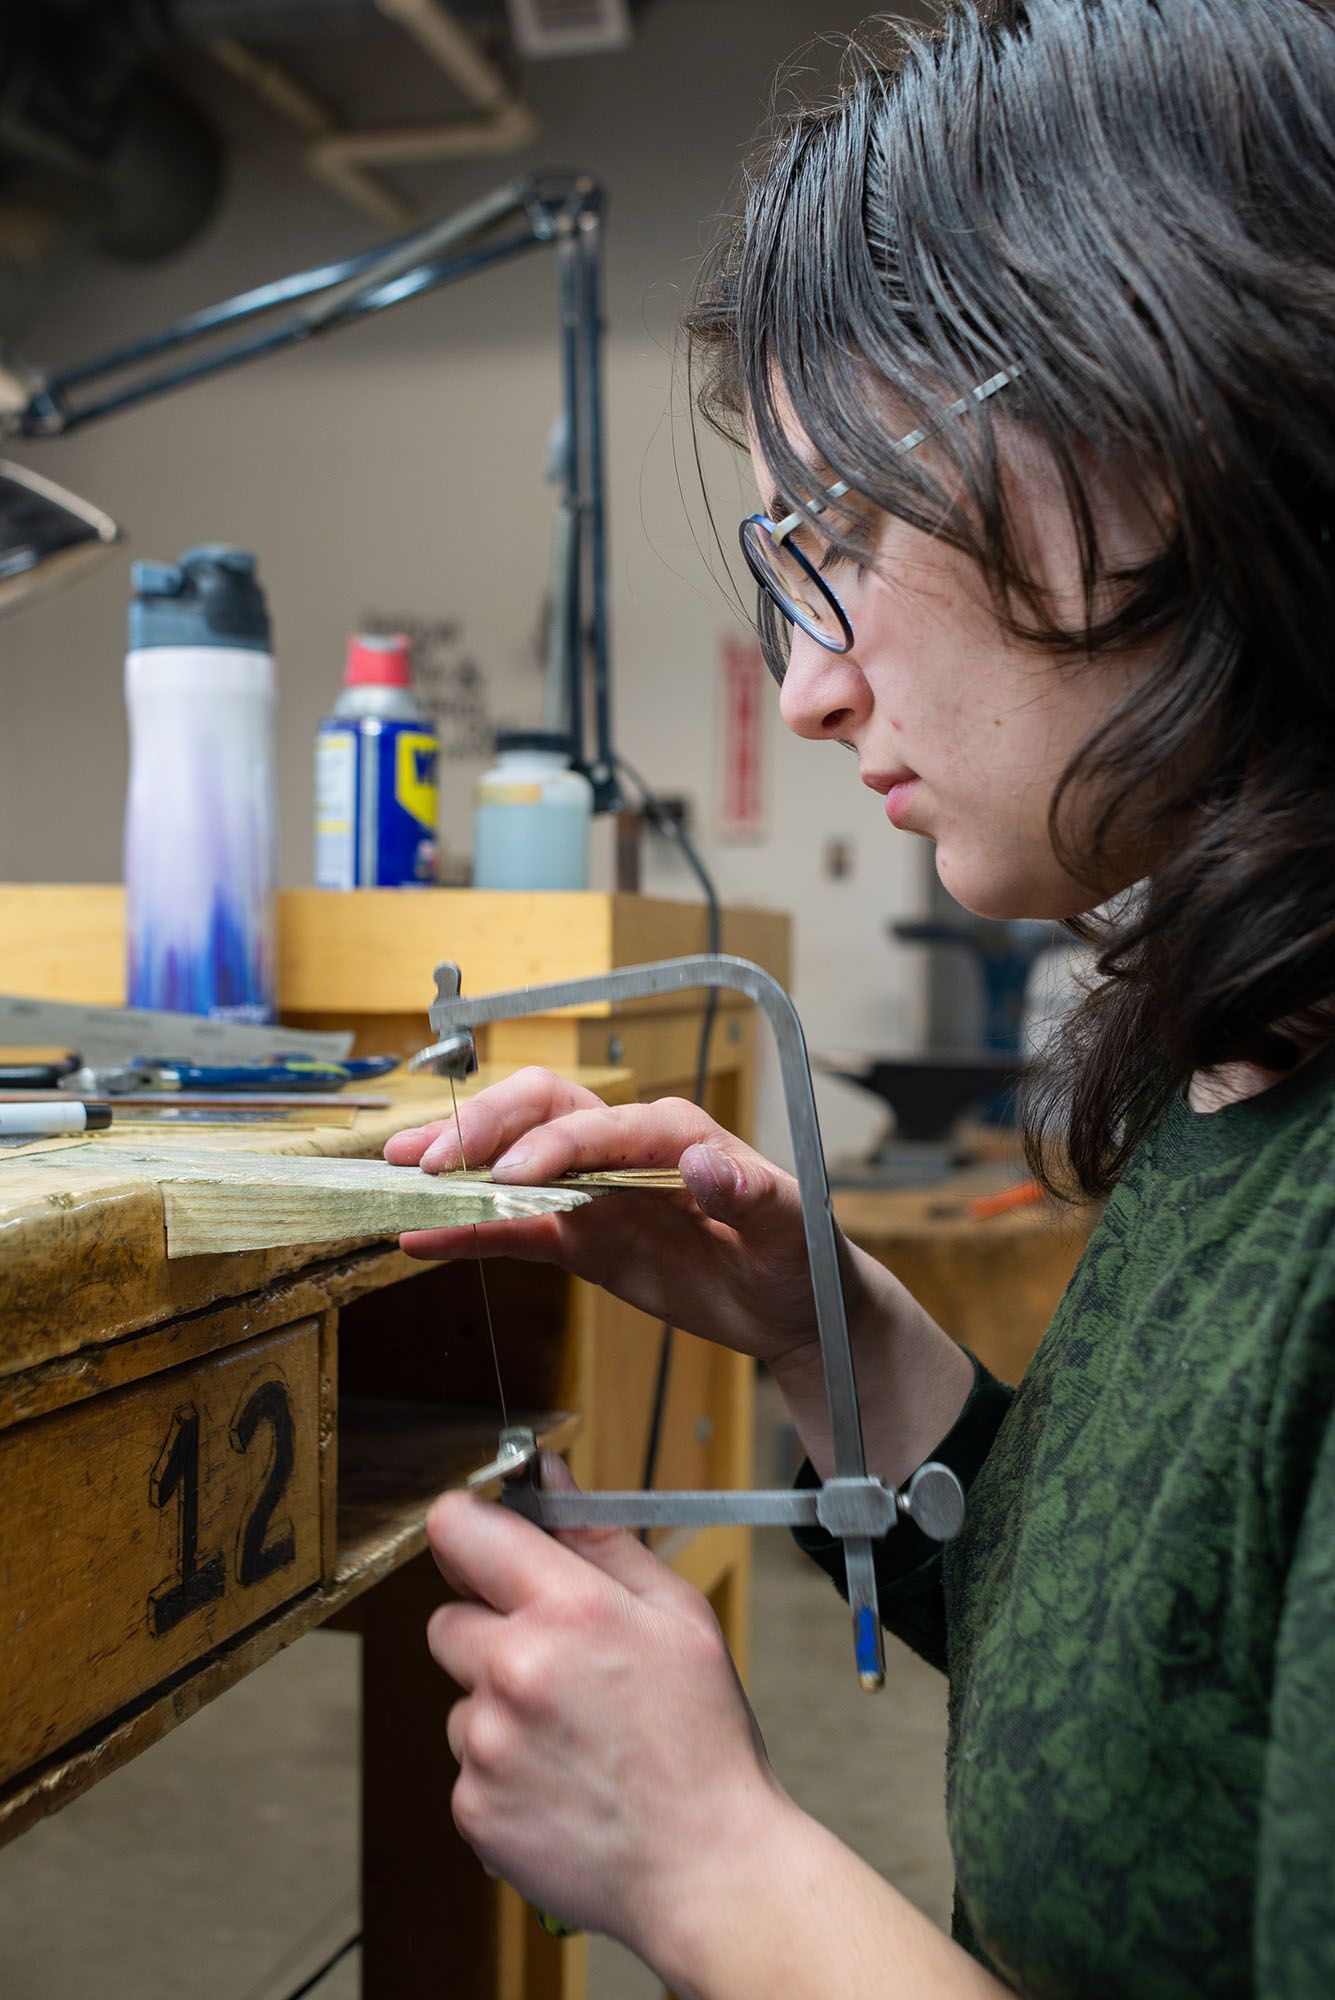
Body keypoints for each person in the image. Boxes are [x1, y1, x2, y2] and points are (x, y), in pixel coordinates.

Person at [385, 2, 1335, 1993]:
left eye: (850, 534)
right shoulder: (1257, 1062)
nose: (805, 680)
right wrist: (836, 1345)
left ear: (1159, 431)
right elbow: (1163, 1695)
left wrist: (711, 1861)